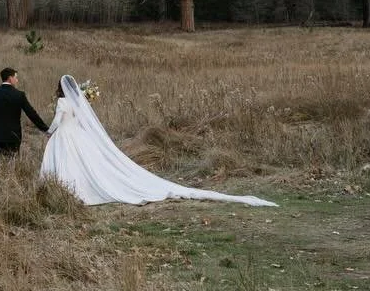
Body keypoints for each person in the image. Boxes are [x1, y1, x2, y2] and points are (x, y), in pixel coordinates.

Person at [39, 74, 276, 208]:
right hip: (78, 137)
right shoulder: (79, 103)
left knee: (68, 164)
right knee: (85, 163)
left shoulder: (61, 103)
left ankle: (68, 189)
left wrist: (48, 132)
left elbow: (58, 122)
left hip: (65, 136)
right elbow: (82, 123)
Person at [0, 66, 50, 163]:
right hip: (14, 137)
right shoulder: (19, 95)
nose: (17, 80)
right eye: (16, 77)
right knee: (13, 165)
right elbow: (32, 114)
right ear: (10, 78)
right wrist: (45, 129)